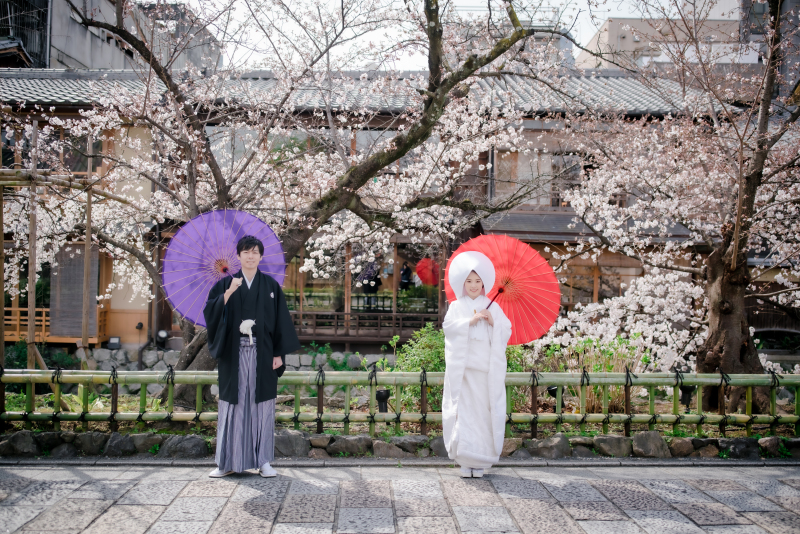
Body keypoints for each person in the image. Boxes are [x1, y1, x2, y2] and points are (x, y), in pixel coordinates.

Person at [203, 235, 301, 478]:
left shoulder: (270, 286)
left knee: (262, 405)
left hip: (264, 351)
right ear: (238, 256)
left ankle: (264, 461)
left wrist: (278, 353)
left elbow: (280, 322)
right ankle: (226, 463)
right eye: (246, 252)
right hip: (232, 353)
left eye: (255, 252)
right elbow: (210, 313)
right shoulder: (226, 284)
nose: (250, 256)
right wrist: (229, 292)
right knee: (232, 405)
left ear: (260, 256)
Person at [442, 251, 512, 478]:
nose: (473, 285)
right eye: (469, 281)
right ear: (463, 283)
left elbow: (506, 329)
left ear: (484, 284)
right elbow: (448, 329)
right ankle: (465, 460)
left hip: (484, 372)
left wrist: (492, 322)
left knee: (483, 415)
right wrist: (468, 322)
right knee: (464, 414)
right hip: (464, 371)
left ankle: (481, 461)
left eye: (478, 281)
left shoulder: (492, 306)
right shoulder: (455, 306)